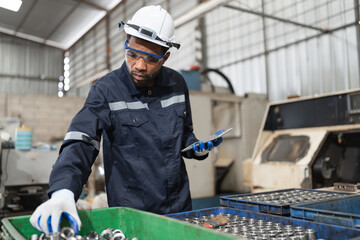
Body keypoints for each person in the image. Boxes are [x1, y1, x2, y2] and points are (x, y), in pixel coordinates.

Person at [30, 5, 223, 234]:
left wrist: (195, 147)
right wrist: (63, 189)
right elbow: (81, 141)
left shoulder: (177, 85)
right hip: (132, 217)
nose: (139, 66)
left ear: (165, 57)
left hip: (178, 211)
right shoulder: (106, 90)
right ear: (126, 45)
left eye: (151, 59)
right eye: (132, 54)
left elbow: (184, 132)